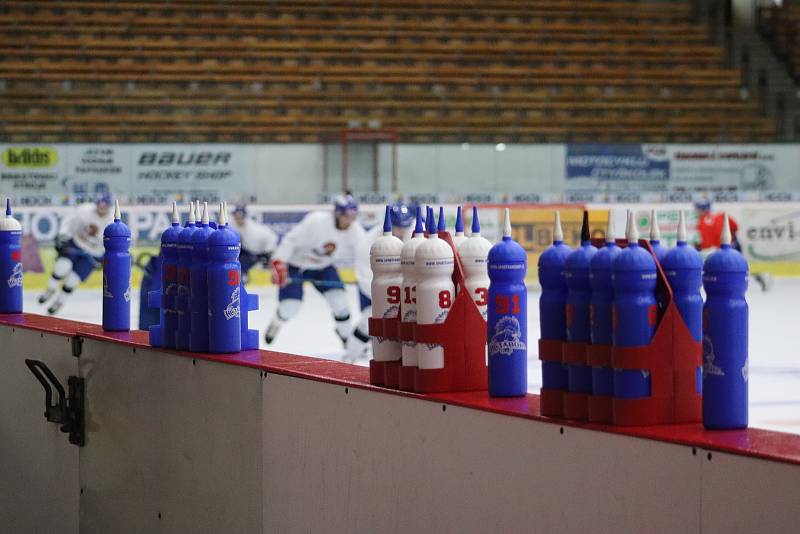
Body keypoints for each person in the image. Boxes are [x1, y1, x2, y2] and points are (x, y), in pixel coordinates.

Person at [265, 194, 366, 346]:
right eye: (346, 215)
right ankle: (276, 323)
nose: (350, 220)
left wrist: (365, 276)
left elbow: (363, 255)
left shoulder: (356, 232)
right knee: (290, 306)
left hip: (323, 267)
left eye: (353, 216)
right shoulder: (316, 221)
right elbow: (290, 240)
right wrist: (279, 264)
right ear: (337, 213)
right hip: (296, 265)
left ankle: (348, 339)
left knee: (340, 303)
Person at [345, 201, 416, 362]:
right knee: (367, 321)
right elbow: (364, 278)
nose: (401, 231)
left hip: (405, 289)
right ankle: (350, 357)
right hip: (375, 290)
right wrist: (387, 298)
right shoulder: (368, 244)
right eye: (398, 226)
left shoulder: (414, 232)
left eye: (405, 226)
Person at [38, 193, 114, 314]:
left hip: (94, 254)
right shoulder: (85, 210)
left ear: (109, 207)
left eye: (104, 206)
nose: (101, 208)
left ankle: (59, 301)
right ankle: (50, 289)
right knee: (62, 267)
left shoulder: (112, 222)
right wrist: (62, 235)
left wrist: (110, 257)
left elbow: (114, 243)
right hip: (76, 244)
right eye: (99, 204)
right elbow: (69, 220)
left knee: (72, 280)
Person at [695, 199, 770, 291]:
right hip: (733, 246)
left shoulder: (702, 222)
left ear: (701, 209)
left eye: (697, 209)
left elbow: (707, 245)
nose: (696, 211)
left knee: (721, 271)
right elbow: (735, 227)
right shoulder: (721, 215)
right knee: (737, 269)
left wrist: (699, 247)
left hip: (719, 252)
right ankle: (758, 276)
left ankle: (726, 287)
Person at [230, 204, 278, 285]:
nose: (238, 219)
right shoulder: (232, 225)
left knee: (240, 264)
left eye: (240, 217)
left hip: (258, 252)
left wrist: (268, 254)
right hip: (245, 252)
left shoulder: (253, 231)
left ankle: (242, 280)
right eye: (236, 216)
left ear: (244, 217)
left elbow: (272, 237)